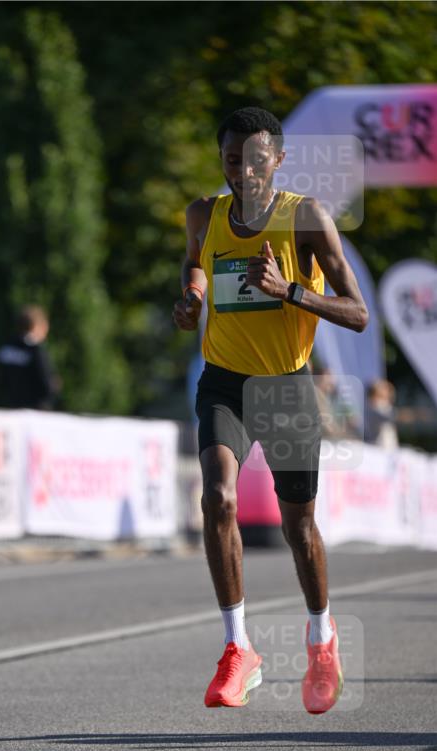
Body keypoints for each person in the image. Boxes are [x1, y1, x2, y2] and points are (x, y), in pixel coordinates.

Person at [173, 107, 368, 714]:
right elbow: (195, 260)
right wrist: (193, 294)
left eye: (257, 162)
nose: (245, 173)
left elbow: (357, 313)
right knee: (218, 498)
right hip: (225, 382)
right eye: (234, 161)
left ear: (277, 161)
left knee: (298, 528)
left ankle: (321, 637)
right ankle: (238, 648)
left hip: (285, 387)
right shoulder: (203, 214)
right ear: (223, 160)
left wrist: (291, 291)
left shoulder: (305, 218)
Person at [0, 305, 60, 410]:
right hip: (34, 411)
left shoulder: (6, 347)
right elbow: (45, 383)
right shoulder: (35, 350)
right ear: (36, 326)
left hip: (10, 408)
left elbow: (0, 381)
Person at [364, 379, 399, 450]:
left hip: (388, 445)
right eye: (384, 388)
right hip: (378, 446)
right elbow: (389, 417)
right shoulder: (374, 406)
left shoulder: (385, 405)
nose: (387, 391)